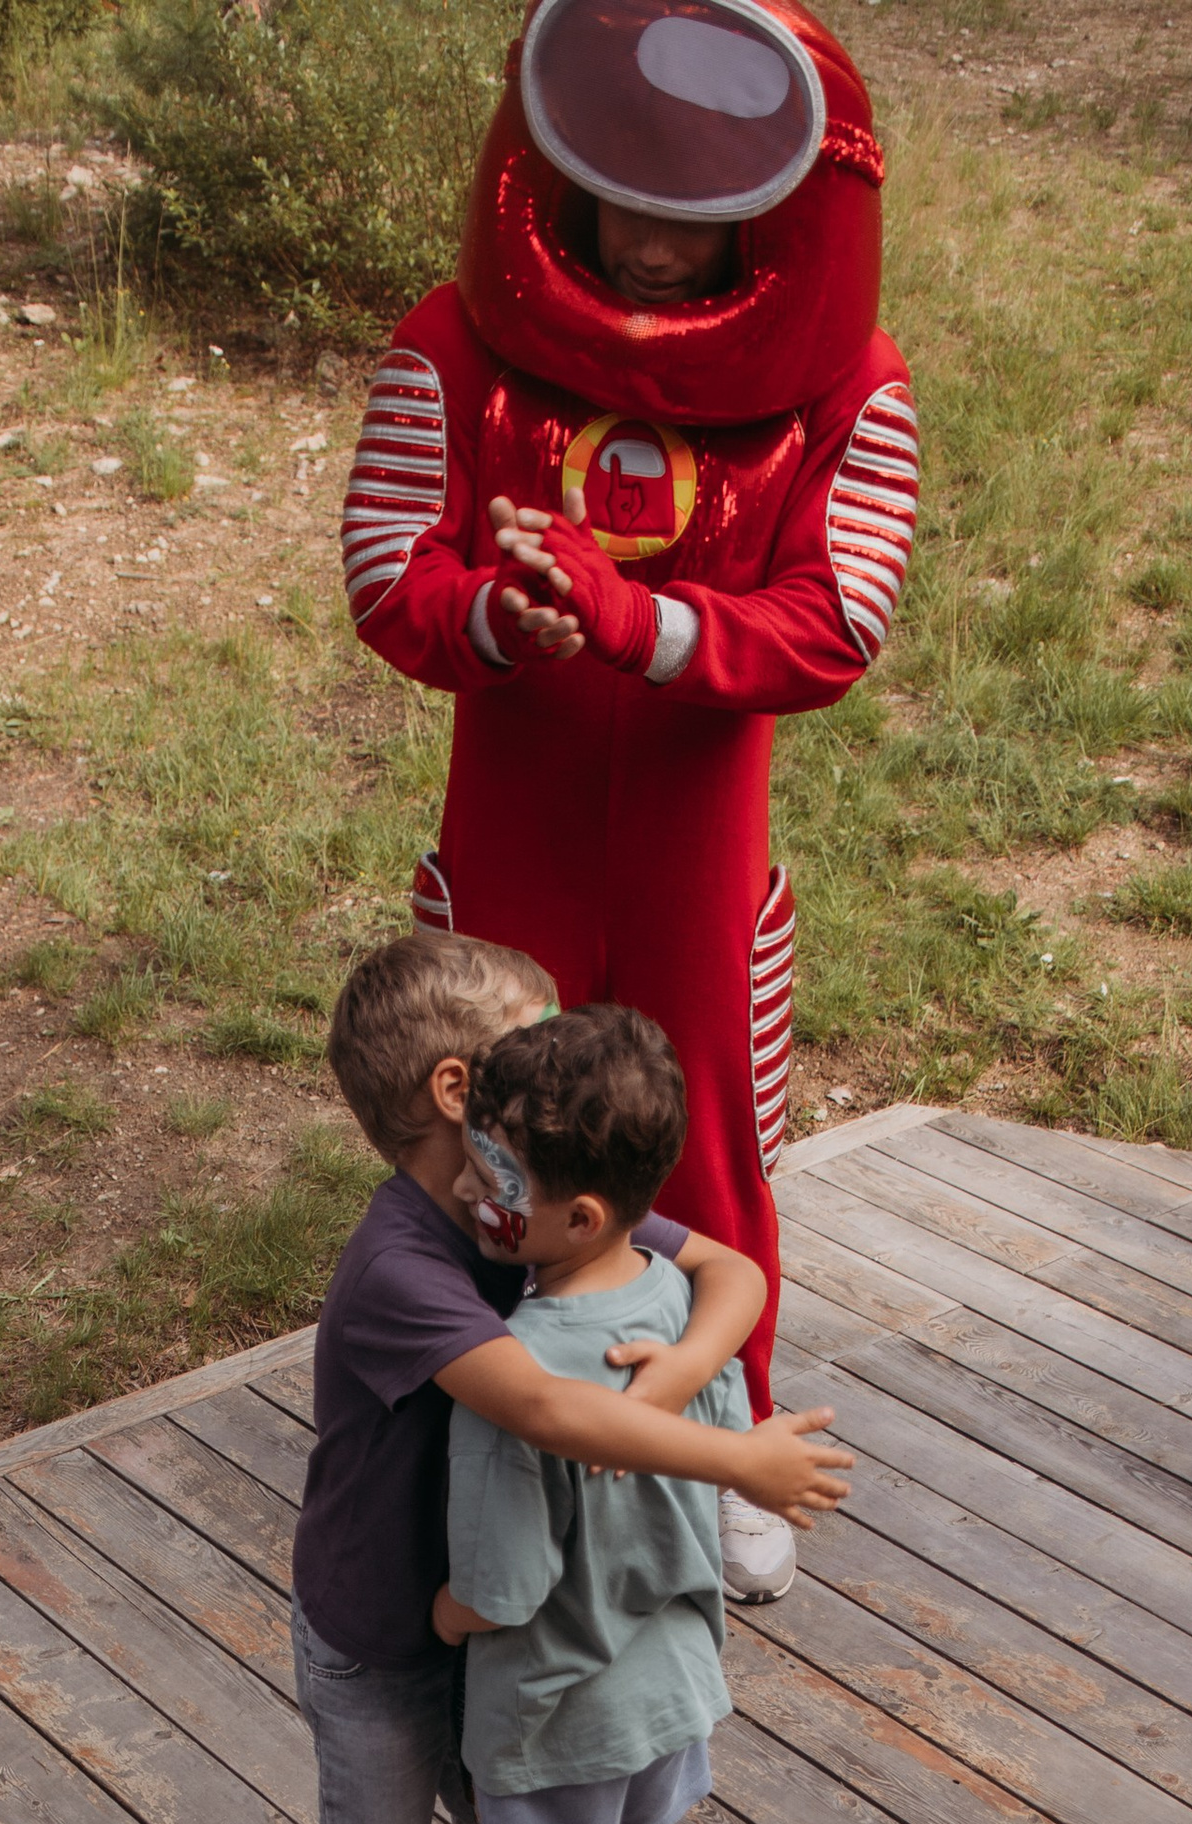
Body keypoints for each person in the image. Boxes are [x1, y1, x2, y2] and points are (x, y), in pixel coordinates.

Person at [339, 0, 917, 1607]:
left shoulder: (843, 385)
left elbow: (838, 620)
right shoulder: (457, 343)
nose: (658, 245)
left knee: (707, 1138)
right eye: (625, 194)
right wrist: (497, 621)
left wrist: (643, 623)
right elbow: (390, 573)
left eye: (701, 206)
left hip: (694, 844)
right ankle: (469, 1402)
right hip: (513, 812)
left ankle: (718, 1427)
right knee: (471, 1118)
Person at [295, 928, 851, 1824]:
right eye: (530, 1037)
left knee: (503, 1801)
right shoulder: (410, 1258)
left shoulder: (538, 1195)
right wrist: (739, 1453)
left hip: (498, 1609)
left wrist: (664, 1392)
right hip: (391, 1618)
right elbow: (543, 1409)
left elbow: (734, 1274)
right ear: (460, 1090)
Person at [435, 1003, 735, 1824]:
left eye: (492, 1173)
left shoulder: (516, 1383)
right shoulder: (672, 1316)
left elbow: (502, 1590)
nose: (467, 1191)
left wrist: (438, 1617)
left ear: (577, 1216)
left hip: (556, 1702)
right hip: (666, 1675)